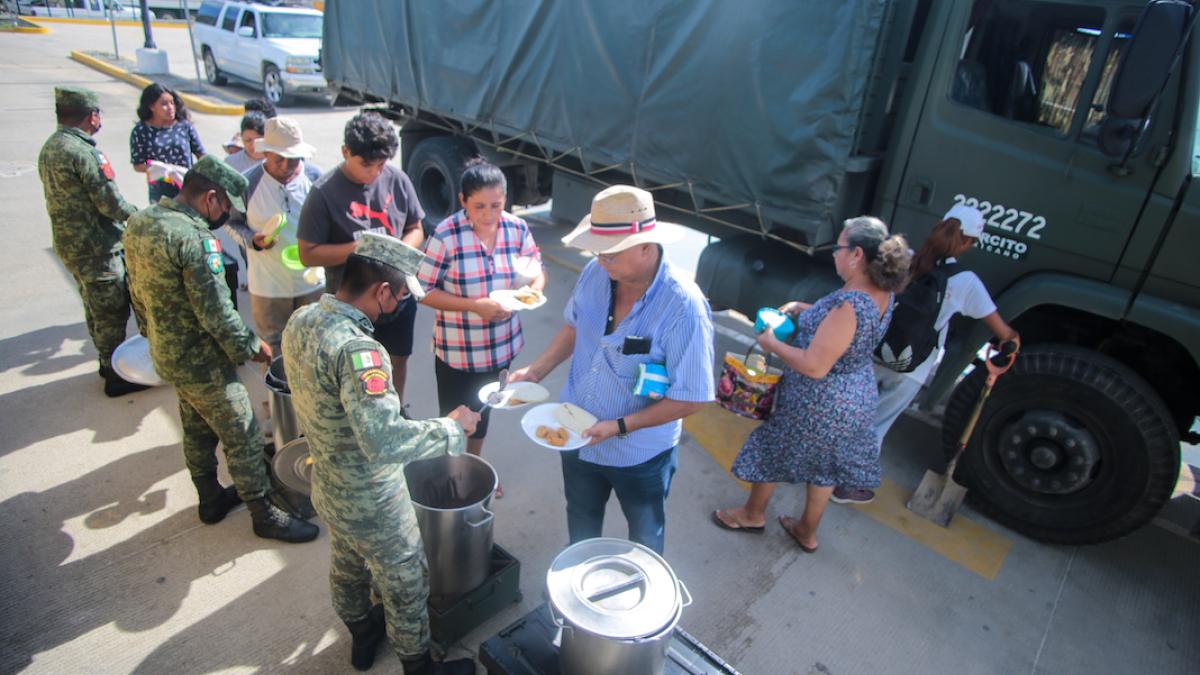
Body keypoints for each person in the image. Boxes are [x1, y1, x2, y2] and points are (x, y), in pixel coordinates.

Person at [282, 232, 480, 675]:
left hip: (326, 483)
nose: (401, 305)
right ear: (382, 291)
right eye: (402, 295)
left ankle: (362, 634)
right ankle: (418, 665)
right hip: (371, 498)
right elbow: (384, 441)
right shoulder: (361, 351)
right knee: (406, 577)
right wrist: (453, 427)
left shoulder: (303, 319)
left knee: (348, 562)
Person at [510, 185, 714, 554]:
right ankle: (579, 588)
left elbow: (693, 397)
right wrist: (536, 371)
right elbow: (576, 325)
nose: (600, 259)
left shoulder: (683, 306)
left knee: (646, 535)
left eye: (610, 253)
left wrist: (620, 426)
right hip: (575, 433)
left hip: (639, 454)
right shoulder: (595, 272)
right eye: (597, 250)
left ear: (646, 246)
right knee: (582, 522)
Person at [123, 155, 317, 543]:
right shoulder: (196, 241)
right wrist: (252, 346)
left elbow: (136, 293)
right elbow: (217, 313)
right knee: (242, 433)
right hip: (201, 360)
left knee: (196, 425)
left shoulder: (142, 222)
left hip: (166, 352)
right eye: (225, 206)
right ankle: (264, 513)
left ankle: (210, 497)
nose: (225, 214)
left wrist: (151, 336)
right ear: (210, 198)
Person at [713, 216, 910, 553]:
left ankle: (751, 514)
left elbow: (814, 366)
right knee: (826, 465)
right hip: (854, 396)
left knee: (772, 449)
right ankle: (806, 531)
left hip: (820, 400)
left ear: (857, 254)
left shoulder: (850, 304)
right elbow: (842, 330)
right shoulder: (881, 292)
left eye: (839, 246)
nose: (835, 253)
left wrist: (770, 342)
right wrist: (802, 309)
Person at [831, 205, 1020, 505]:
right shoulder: (966, 282)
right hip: (910, 369)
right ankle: (847, 486)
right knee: (875, 425)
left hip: (873, 350)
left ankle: (820, 465)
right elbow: (1000, 330)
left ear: (940, 226)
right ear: (969, 242)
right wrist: (1012, 340)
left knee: (850, 411)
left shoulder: (906, 260)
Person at [417, 159, 545, 497]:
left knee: (484, 412)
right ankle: (450, 476)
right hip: (458, 350)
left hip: (501, 348)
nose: (489, 214)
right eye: (479, 206)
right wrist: (475, 306)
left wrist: (534, 291)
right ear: (462, 201)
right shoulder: (446, 235)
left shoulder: (516, 229)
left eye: (497, 205)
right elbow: (423, 290)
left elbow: (536, 270)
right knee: (454, 418)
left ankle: (473, 471)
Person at [297, 111, 425, 403]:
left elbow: (416, 227)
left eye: (382, 164)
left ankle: (394, 411)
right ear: (345, 152)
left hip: (398, 297)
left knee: (396, 360)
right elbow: (307, 253)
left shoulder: (397, 179)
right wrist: (359, 249)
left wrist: (399, 252)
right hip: (351, 307)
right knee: (358, 369)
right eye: (367, 164)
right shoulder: (323, 193)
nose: (376, 172)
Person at [37, 86, 148, 397]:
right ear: (92, 116)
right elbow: (110, 203)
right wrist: (140, 218)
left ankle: (105, 361)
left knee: (93, 306)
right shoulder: (85, 152)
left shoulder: (51, 146)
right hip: (97, 247)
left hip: (71, 245)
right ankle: (117, 375)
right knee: (111, 311)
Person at [226, 116, 325, 357]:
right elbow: (231, 223)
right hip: (267, 287)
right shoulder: (246, 184)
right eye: (280, 158)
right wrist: (252, 239)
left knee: (311, 345)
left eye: (293, 159)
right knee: (274, 349)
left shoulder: (314, 177)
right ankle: (278, 396)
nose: (287, 166)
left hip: (311, 282)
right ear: (266, 154)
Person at [130, 83, 205, 204]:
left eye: (172, 103)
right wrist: (162, 169)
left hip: (187, 189)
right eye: (164, 104)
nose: (170, 107)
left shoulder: (184, 126)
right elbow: (137, 165)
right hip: (160, 192)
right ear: (152, 107)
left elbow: (201, 155)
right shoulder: (141, 131)